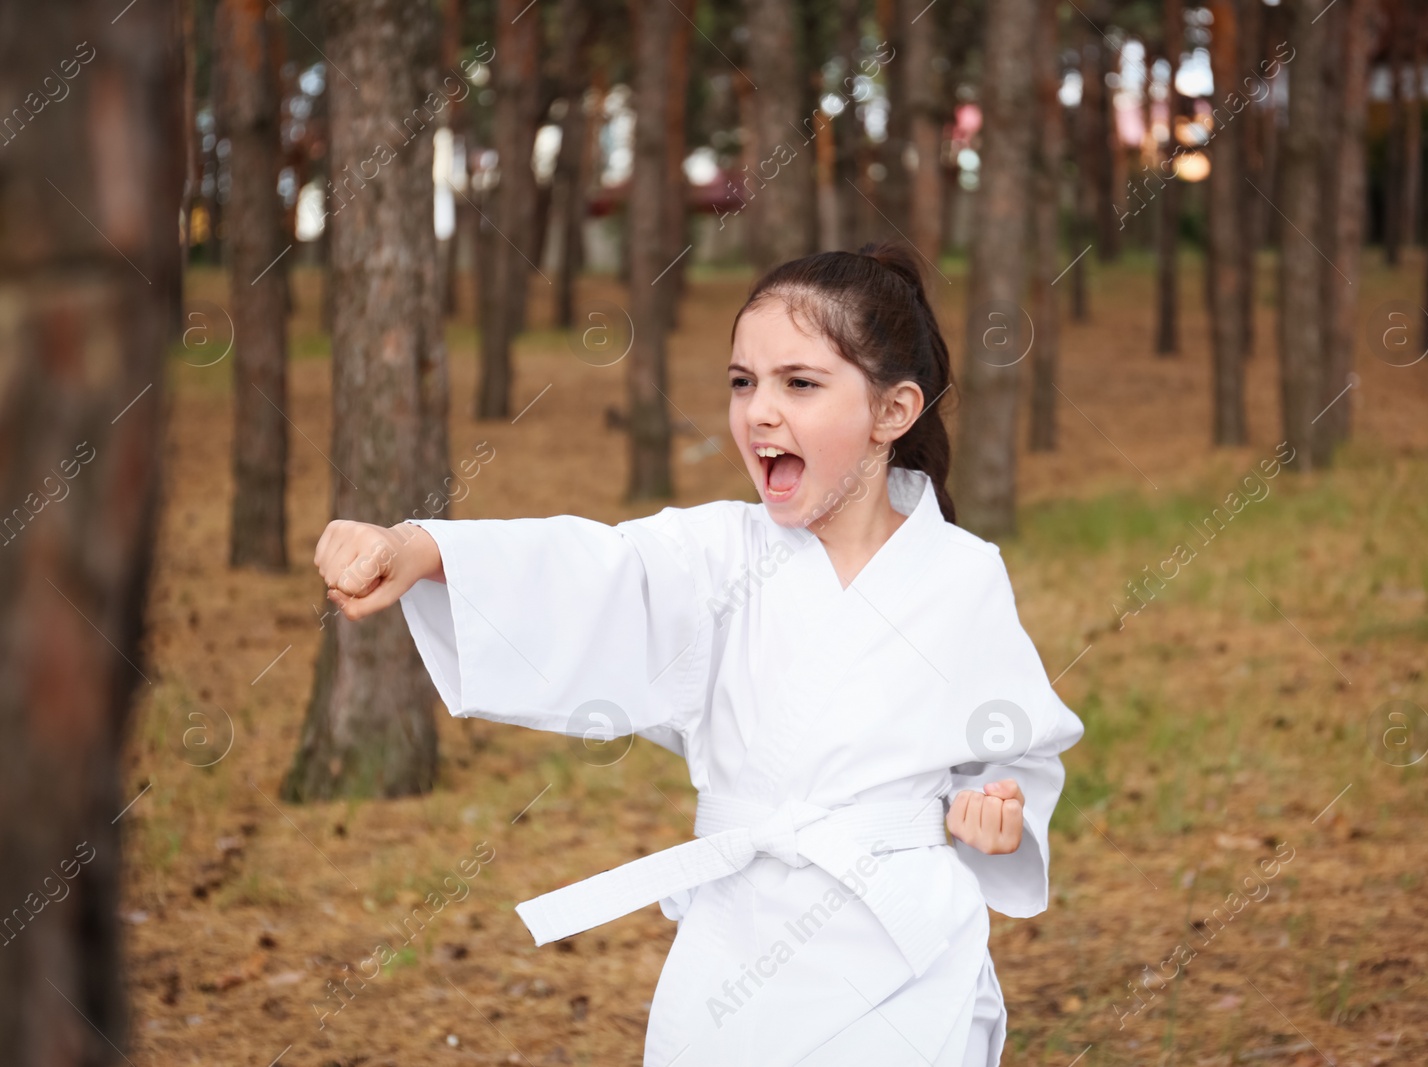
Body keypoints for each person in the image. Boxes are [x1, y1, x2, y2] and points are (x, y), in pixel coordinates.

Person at [313, 241, 1085, 1066]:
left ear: (893, 413)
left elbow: (1016, 749)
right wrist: (420, 546)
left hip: (903, 949)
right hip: (738, 943)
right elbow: (595, 570)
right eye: (742, 381)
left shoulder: (960, 576)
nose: (758, 411)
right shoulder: (718, 553)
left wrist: (997, 811)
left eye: (800, 383)